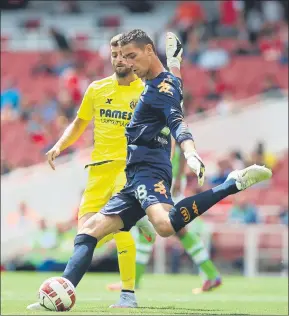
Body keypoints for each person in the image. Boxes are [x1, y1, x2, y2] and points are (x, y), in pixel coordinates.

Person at [28, 30, 272, 310]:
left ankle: (231, 184)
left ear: (148, 51)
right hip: (133, 174)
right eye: (121, 56)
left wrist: (190, 151)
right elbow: (175, 86)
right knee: (89, 231)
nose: (127, 63)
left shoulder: (160, 90)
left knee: (166, 226)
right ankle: (63, 289)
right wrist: (176, 63)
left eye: (132, 56)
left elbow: (178, 121)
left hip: (149, 170)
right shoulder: (163, 83)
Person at [27, 33, 157, 310]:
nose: (119, 59)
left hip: (128, 169)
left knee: (119, 228)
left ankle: (127, 294)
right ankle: (60, 293)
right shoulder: (97, 89)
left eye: (124, 54)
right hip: (98, 171)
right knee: (86, 235)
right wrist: (59, 145)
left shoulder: (146, 91)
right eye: (114, 55)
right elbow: (78, 123)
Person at [107, 144, 221, 293]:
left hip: (165, 180)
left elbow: (180, 145)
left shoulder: (167, 121)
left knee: (149, 228)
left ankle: (133, 280)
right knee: (171, 230)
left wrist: (179, 177)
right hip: (164, 178)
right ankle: (211, 274)